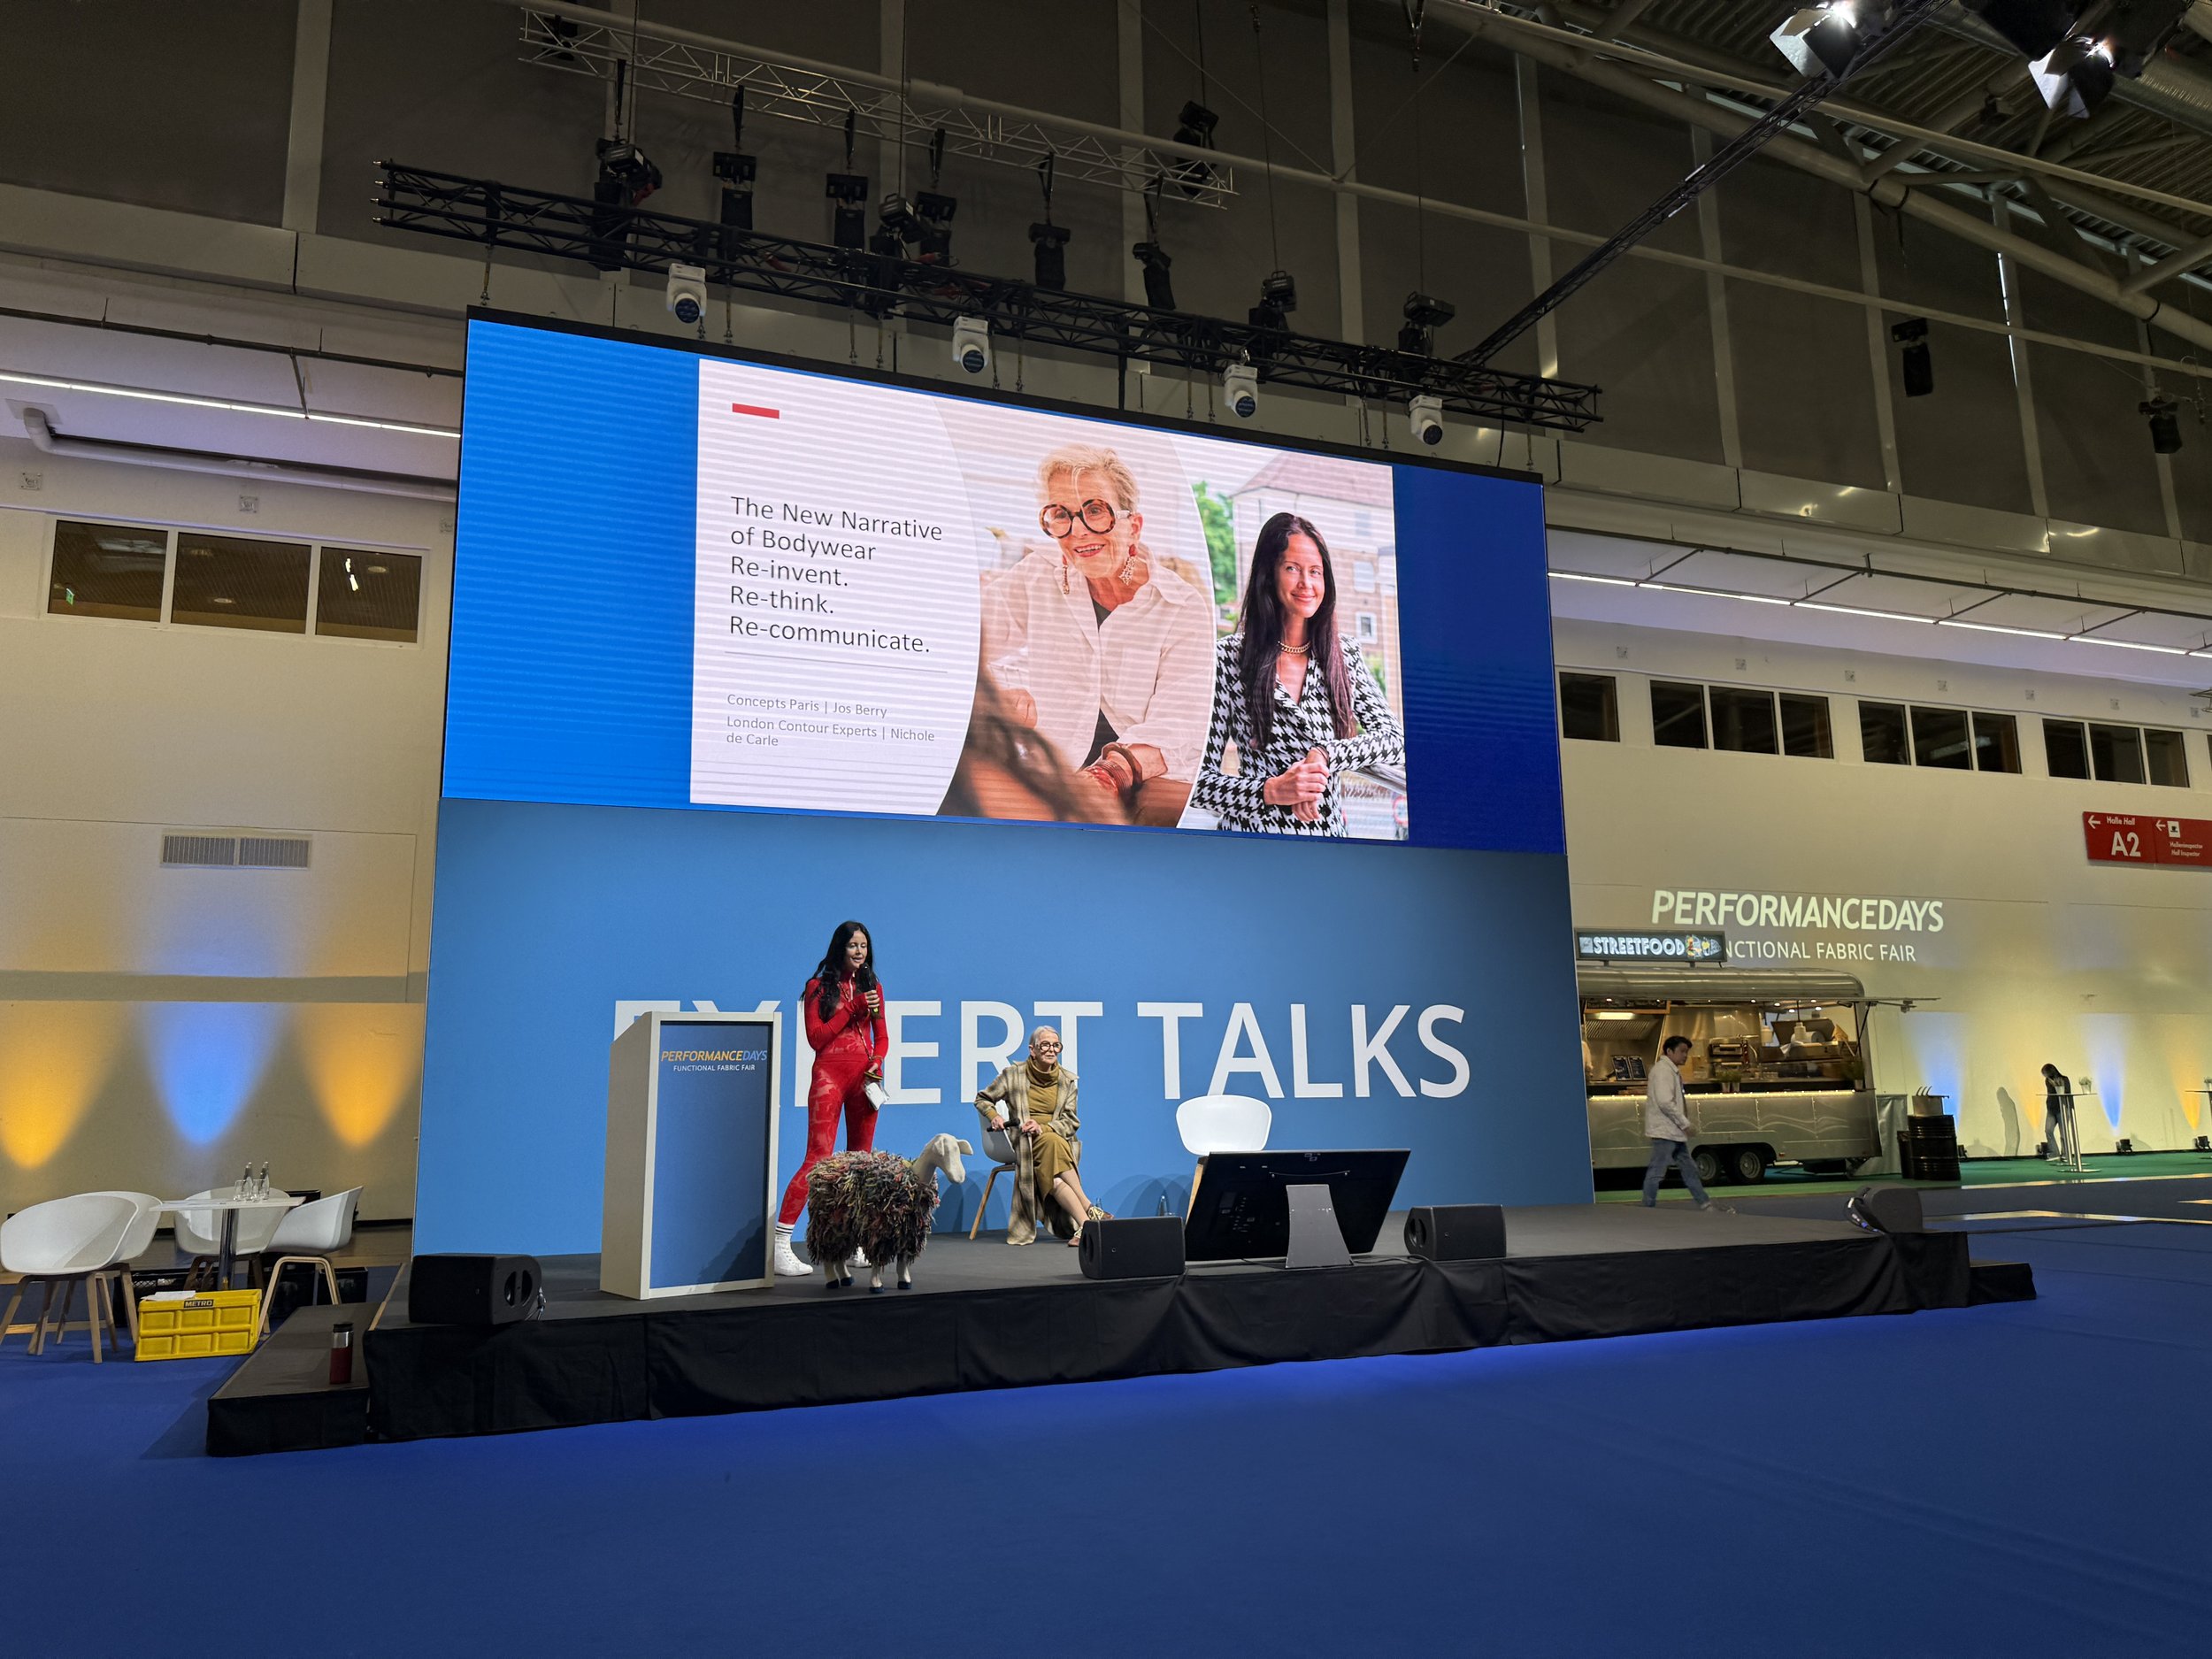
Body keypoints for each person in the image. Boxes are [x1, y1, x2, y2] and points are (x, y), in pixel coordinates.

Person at [976, 442, 1217, 824]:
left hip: (1142, 785)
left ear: (1132, 525)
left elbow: (1181, 722)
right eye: (1061, 515)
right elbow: (967, 641)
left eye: (1095, 511)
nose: (1078, 532)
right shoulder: (1039, 574)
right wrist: (995, 697)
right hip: (1055, 776)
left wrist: (1107, 776)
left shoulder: (1181, 606)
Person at [1188, 511, 1405, 837]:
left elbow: (1393, 740)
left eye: (1315, 572)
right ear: (1269, 574)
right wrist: (1272, 791)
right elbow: (1196, 782)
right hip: (1250, 850)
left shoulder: (1343, 654)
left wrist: (1324, 755)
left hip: (1326, 848)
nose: (1307, 583)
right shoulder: (1227, 659)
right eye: (1292, 569)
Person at [772, 921, 888, 1277]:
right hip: (829, 1078)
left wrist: (877, 1062)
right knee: (818, 1159)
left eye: (864, 946)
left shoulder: (874, 987)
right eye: (853, 945)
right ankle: (780, 1245)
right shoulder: (818, 987)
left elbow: (881, 1037)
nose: (859, 952)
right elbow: (816, 1038)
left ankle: (854, 1242)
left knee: (861, 1163)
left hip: (865, 1081)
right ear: (840, 948)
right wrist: (851, 1009)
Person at [974, 1026, 1110, 1247]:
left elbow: (1071, 1122)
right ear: (1032, 1050)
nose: (1051, 1050)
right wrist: (993, 1116)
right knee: (1053, 1144)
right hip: (1022, 1140)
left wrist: (1043, 1128)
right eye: (1045, 1045)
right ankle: (1087, 1207)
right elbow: (982, 1099)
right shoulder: (1013, 1075)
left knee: (1053, 1157)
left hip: (1052, 1139)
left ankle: (1085, 1225)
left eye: (1056, 1045)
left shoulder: (1067, 1081)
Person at [1643, 1034, 1726, 1211]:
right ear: (1669, 1051)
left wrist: (1682, 1125)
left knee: (1686, 1169)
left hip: (1671, 1131)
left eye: (1686, 1052)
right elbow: (1665, 1102)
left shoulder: (1668, 1070)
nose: (1685, 1055)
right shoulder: (1663, 1071)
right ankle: (1648, 1206)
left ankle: (1704, 1203)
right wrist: (1684, 1123)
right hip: (1665, 1131)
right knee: (1659, 1171)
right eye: (1682, 1051)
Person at [2041, 1063, 2075, 1164]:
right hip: (2051, 1108)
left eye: (2045, 1073)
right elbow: (2051, 1094)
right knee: (2048, 1129)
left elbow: (2067, 1093)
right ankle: (2054, 1153)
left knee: (2063, 1132)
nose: (2044, 1076)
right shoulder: (2047, 1081)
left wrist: (2070, 1108)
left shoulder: (2064, 1079)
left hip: (2063, 1108)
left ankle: (2066, 1154)